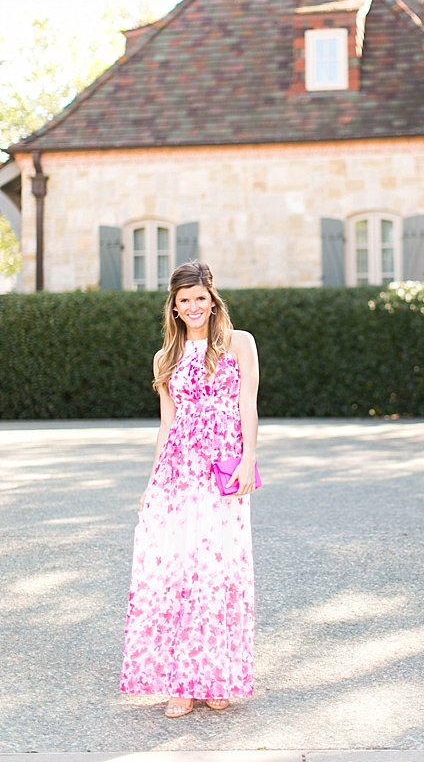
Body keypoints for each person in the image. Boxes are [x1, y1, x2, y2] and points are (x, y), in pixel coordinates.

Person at [120, 260, 260, 718]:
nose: (194, 306)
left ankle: (215, 675)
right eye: (184, 301)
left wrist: (248, 459)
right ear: (174, 307)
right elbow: (167, 425)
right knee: (179, 572)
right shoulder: (166, 358)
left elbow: (248, 407)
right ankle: (181, 682)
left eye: (201, 297)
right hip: (178, 472)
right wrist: (151, 482)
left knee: (217, 569)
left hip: (222, 470)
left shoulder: (239, 343)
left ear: (212, 298)